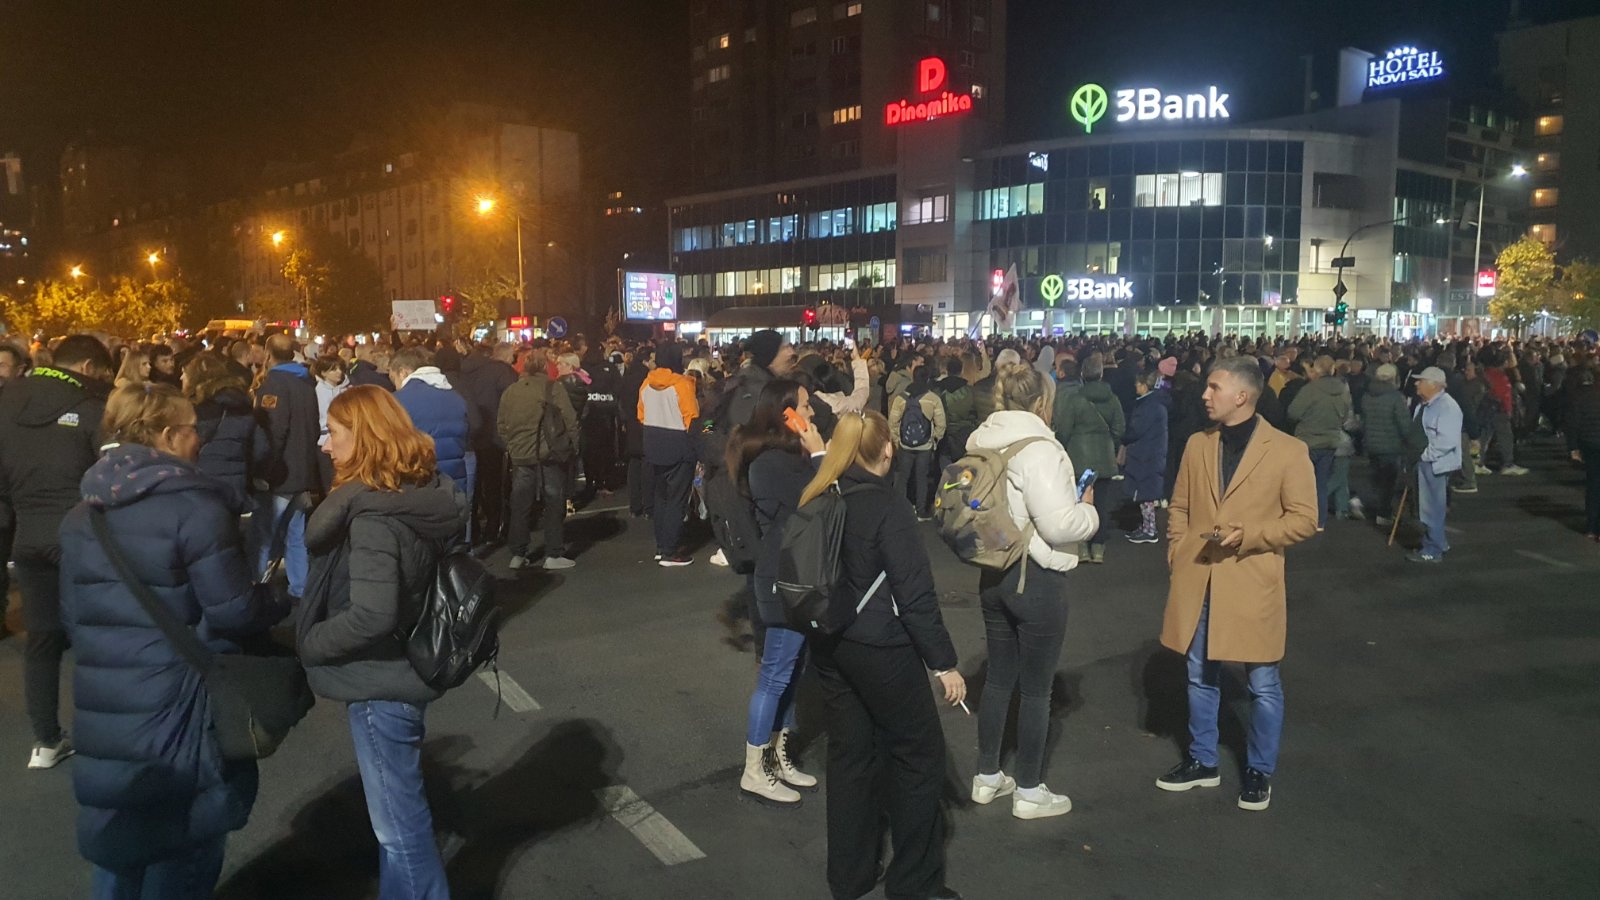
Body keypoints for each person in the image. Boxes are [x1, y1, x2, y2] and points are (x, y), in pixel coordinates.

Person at [60, 383, 287, 898]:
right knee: (186, 835)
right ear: (165, 435)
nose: (201, 441)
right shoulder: (197, 508)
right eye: (193, 429)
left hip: (106, 698)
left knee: (119, 834)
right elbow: (231, 609)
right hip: (181, 697)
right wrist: (275, 598)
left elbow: (71, 616)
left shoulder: (83, 514)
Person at [298, 386, 466, 900]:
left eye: (335, 432)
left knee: (400, 831)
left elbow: (372, 614)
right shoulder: (419, 491)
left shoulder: (371, 517)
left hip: (381, 682)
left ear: (365, 438)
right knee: (396, 831)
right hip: (407, 666)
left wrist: (310, 643)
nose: (325, 444)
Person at [805, 410, 966, 900]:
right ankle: (915, 884)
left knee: (850, 754)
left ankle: (848, 876)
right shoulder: (887, 507)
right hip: (880, 646)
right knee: (918, 756)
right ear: (888, 450)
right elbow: (914, 594)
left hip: (830, 641)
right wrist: (944, 662)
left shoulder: (821, 494)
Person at [1157, 356, 1317, 812]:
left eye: (1213, 388)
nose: (1204, 395)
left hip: (1251, 581)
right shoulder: (1197, 444)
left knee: (1263, 682)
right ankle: (1203, 760)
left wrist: (1251, 534)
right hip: (1199, 576)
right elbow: (1181, 505)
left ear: (1242, 396)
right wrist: (1176, 549)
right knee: (1198, 674)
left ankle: (1259, 769)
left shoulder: (1288, 451)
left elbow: (1305, 520)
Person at [966, 364, 1099, 820]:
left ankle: (987, 777)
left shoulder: (983, 437)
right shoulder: (1041, 448)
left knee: (999, 677)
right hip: (1035, 575)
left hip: (992, 568)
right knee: (1037, 690)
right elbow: (1058, 523)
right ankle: (1028, 789)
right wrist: (1089, 512)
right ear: (1044, 402)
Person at [0, 334, 113, 768]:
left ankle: (45, 741)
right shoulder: (89, 406)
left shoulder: (8, 399)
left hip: (27, 535)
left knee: (42, 640)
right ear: (85, 367)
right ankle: (104, 734)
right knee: (98, 636)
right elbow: (107, 474)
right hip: (81, 534)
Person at [726, 380, 827, 807]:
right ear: (785, 412)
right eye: (805, 406)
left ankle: (777, 757)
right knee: (775, 674)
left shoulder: (785, 458)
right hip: (780, 577)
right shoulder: (769, 463)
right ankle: (755, 768)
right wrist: (820, 453)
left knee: (790, 672)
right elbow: (819, 502)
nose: (812, 413)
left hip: (797, 574)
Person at [498, 349, 579, 570]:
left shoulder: (511, 391)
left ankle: (518, 553)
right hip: (548, 454)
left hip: (521, 456)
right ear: (545, 367)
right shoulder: (553, 388)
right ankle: (553, 553)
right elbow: (569, 419)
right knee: (553, 502)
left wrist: (513, 446)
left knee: (521, 504)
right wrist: (573, 448)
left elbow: (502, 425)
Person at [255, 334, 322, 597]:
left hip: (280, 475)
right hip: (302, 471)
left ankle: (257, 586)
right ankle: (301, 588)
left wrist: (263, 471)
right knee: (296, 535)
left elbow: (272, 432)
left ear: (268, 354)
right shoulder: (305, 383)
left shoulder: (274, 384)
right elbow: (314, 427)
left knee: (264, 535)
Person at [391, 347, 478, 528]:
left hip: (419, 477)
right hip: (455, 471)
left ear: (403, 372)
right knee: (459, 522)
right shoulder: (454, 396)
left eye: (393, 378)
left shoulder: (397, 401)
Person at [1052, 354, 1124, 563]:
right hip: (1104, 456)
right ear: (1101, 374)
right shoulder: (1112, 399)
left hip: (1079, 456)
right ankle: (1098, 547)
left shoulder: (1076, 399)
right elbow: (1120, 428)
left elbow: (1065, 429)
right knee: (1101, 502)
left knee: (1081, 500)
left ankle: (1082, 546)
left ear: (1083, 374)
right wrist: (1109, 443)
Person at [640, 342, 700, 566]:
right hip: (679, 445)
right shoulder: (683, 384)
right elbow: (693, 418)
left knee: (661, 497)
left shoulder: (646, 383)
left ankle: (661, 545)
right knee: (677, 499)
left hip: (653, 443)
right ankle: (670, 551)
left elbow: (640, 414)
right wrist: (709, 430)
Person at [184, 352, 270, 503]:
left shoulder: (195, 410)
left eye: (184, 374)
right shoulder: (243, 405)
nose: (181, 378)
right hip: (236, 487)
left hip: (201, 484)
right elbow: (261, 448)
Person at [1287, 355, 1352, 530]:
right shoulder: (1342, 390)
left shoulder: (1310, 390)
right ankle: (1319, 520)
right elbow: (1346, 415)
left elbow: (1293, 412)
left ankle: (1302, 518)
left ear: (1316, 369)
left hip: (1307, 440)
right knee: (1321, 482)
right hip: (1330, 441)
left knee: (1302, 482)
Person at [1408, 367, 1463, 564]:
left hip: (1434, 463)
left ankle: (1432, 549)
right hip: (1426, 461)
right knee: (1429, 505)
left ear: (1434, 384)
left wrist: (1425, 455)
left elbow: (1447, 441)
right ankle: (1438, 541)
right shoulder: (1425, 404)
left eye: (1420, 380)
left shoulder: (1447, 407)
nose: (1416, 383)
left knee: (1432, 507)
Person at [1360, 364, 1414, 526]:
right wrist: (1410, 440)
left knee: (1376, 476)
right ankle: (1383, 513)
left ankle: (1365, 501)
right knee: (1388, 481)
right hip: (1391, 444)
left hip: (1372, 441)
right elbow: (1404, 423)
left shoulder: (1367, 395)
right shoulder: (1395, 397)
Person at [888, 367, 946, 520]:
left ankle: (900, 511)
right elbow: (941, 424)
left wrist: (897, 441)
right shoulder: (933, 398)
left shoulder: (901, 398)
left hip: (905, 445)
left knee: (903, 478)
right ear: (927, 378)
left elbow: (892, 422)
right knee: (922, 478)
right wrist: (934, 440)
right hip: (925, 446)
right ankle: (921, 511)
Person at [1123, 370, 1170, 543]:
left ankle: (1150, 530)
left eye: (1138, 384)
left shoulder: (1147, 407)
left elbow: (1136, 430)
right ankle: (1146, 527)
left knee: (1146, 495)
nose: (1135, 386)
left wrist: (1125, 436)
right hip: (1153, 453)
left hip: (1147, 454)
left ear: (1144, 386)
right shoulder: (1157, 403)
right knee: (1146, 493)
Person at [1564, 364, 1600, 541]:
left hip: (1590, 444)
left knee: (1593, 485)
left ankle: (1592, 527)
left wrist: (1573, 448)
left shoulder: (1581, 396)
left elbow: (1572, 424)